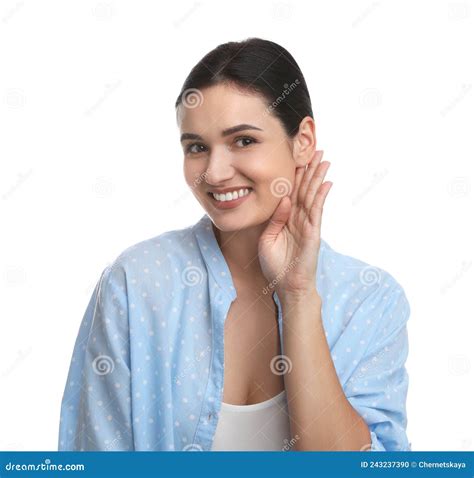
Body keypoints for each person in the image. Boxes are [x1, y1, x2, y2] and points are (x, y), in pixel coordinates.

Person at [58, 37, 411, 452]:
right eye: (196, 147)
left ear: (303, 140)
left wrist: (297, 296)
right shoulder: (136, 282)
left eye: (244, 141)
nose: (215, 172)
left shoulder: (370, 299)